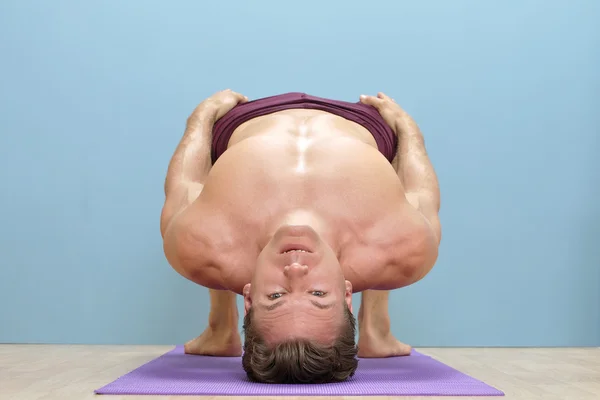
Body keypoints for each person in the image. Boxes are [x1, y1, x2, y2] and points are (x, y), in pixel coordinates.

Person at [160, 90, 441, 384]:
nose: (295, 271)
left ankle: (220, 328)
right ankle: (376, 329)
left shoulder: (198, 245)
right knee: (391, 231)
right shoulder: (406, 247)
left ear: (249, 298)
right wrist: (407, 127)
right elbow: (419, 190)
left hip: (249, 121)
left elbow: (188, 180)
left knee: (210, 239)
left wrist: (202, 117)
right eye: (318, 294)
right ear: (347, 295)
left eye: (275, 295)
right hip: (359, 125)